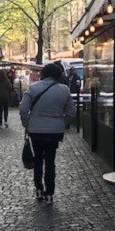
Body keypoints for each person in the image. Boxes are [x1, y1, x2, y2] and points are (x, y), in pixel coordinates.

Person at [19, 63, 76, 204]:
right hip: (54, 131)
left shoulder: (33, 88)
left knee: (38, 159)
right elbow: (72, 112)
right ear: (58, 75)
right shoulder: (64, 90)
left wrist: (27, 123)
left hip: (36, 131)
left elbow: (23, 108)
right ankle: (49, 194)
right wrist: (61, 122)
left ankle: (39, 189)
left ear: (43, 74)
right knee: (50, 161)